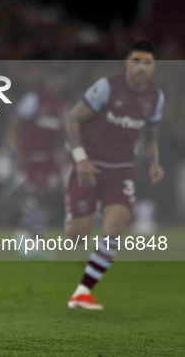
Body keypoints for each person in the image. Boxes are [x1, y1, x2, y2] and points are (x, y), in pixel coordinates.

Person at [64, 40, 165, 310]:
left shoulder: (155, 98)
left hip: (121, 169)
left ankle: (83, 291)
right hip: (90, 166)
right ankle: (70, 206)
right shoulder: (106, 88)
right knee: (77, 236)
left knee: (115, 228)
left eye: (147, 63)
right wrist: (80, 159)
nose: (141, 68)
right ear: (127, 63)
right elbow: (73, 119)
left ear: (154, 67)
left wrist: (154, 163)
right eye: (136, 61)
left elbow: (150, 138)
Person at [7, 71, 67, 251]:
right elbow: (14, 127)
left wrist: (61, 156)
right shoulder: (33, 100)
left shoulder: (63, 106)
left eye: (58, 82)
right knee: (38, 194)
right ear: (45, 82)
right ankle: (23, 233)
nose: (54, 86)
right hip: (31, 156)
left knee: (49, 198)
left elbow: (62, 135)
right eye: (51, 81)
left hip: (49, 157)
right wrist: (18, 153)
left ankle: (36, 239)